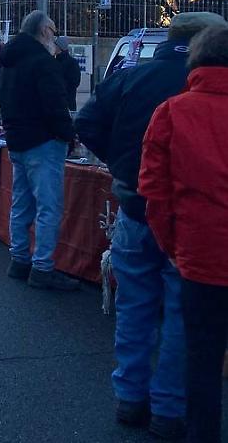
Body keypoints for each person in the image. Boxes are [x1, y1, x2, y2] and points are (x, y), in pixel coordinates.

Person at [76, 12, 226, 437]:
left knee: (135, 305)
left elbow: (85, 123)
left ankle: (130, 398)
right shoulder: (197, 88)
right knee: (179, 312)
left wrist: (120, 164)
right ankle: (168, 406)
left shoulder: (131, 77)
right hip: (192, 221)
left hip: (136, 208)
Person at [140, 23, 228, 443]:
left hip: (201, 256)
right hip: (200, 253)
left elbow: (154, 193)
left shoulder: (173, 112)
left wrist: (172, 247)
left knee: (204, 360)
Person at [0, 10, 77, 291]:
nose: (54, 37)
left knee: (22, 202)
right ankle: (43, 267)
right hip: (43, 142)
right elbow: (55, 105)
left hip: (18, 139)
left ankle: (19, 259)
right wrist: (69, 135)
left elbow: (3, 98)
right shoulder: (44, 63)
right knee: (48, 207)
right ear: (44, 32)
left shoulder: (10, 61)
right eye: (53, 31)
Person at [53, 36, 83, 112]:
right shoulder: (54, 61)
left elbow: (75, 82)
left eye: (55, 45)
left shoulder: (71, 63)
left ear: (59, 47)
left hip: (67, 102)